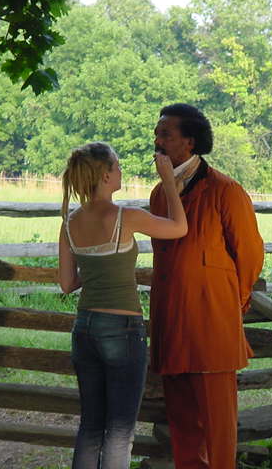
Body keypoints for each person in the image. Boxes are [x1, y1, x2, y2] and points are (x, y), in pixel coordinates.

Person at [148, 104, 265, 468]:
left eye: (166, 134)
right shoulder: (157, 194)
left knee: (218, 425)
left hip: (212, 323)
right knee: (182, 423)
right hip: (171, 322)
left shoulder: (226, 191)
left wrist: (230, 305)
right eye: (157, 132)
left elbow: (250, 255)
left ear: (190, 141)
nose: (157, 140)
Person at [58, 142, 187, 469]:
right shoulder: (125, 217)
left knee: (90, 426)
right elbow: (179, 228)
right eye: (116, 167)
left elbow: (67, 283)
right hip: (121, 329)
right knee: (118, 431)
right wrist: (170, 182)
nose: (120, 171)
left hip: (84, 329)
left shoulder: (70, 222)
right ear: (104, 175)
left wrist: (98, 269)